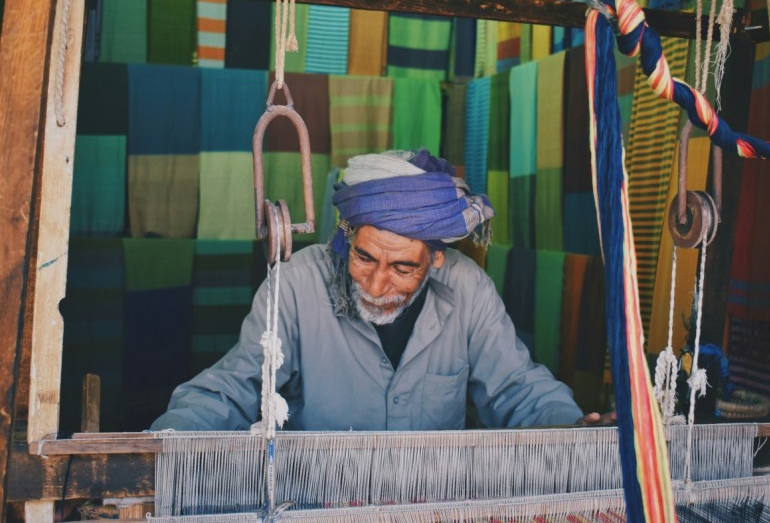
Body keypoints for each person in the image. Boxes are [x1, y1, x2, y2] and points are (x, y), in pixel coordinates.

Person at [151, 149, 612, 431]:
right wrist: (162, 448)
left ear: (435, 259)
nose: (375, 284)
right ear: (347, 236)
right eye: (364, 257)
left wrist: (570, 426)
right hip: (317, 502)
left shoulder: (467, 288)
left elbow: (515, 387)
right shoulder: (295, 285)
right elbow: (235, 388)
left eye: (403, 268)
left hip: (431, 503)